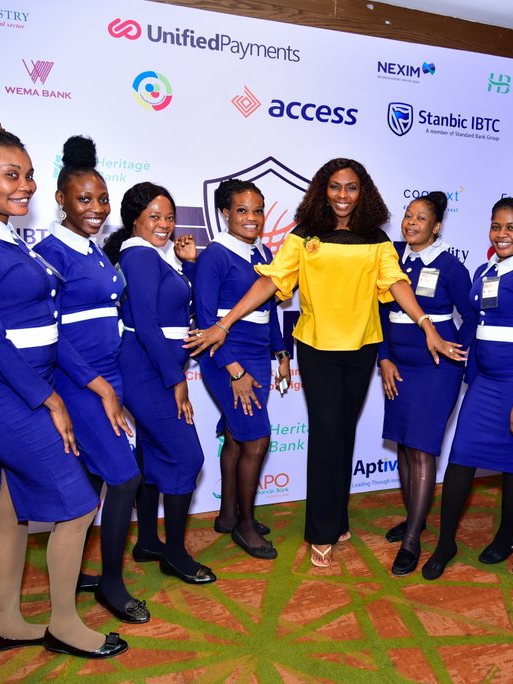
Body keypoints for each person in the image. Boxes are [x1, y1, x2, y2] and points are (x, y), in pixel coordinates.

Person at [184, 158, 466, 568]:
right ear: (322, 190)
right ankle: (321, 530)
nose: (342, 195)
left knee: (344, 433)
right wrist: (224, 324)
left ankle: (337, 517)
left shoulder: (376, 240)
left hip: (362, 349)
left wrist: (426, 324)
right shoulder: (304, 235)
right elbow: (271, 281)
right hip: (317, 348)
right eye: (335, 186)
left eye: (351, 187)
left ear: (363, 192)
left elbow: (396, 283)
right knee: (326, 433)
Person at [0, 109, 127, 658]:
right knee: (78, 504)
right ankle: (64, 625)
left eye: (28, 175)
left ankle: (6, 622)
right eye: (10, 174)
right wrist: (50, 400)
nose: (24, 186)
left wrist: (92, 385)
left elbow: (47, 328)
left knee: (11, 503)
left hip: (25, 382)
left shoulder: (9, 237)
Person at [34, 136, 148, 623]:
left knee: (92, 478)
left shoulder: (95, 250)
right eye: (85, 199)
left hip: (109, 376)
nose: (98, 208)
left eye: (102, 199)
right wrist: (100, 388)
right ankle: (111, 584)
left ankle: (73, 569)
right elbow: (53, 334)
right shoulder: (48, 253)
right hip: (77, 382)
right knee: (125, 478)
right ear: (61, 199)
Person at [422, 197, 513, 581]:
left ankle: (505, 536)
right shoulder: (486, 269)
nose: (502, 234)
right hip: (485, 383)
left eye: (512, 227)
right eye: (496, 226)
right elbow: (478, 324)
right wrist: (467, 371)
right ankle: (445, 543)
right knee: (460, 460)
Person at [104, 183, 214, 584]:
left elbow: (182, 306)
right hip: (148, 371)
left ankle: (149, 540)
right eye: (154, 216)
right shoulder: (138, 254)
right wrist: (176, 379)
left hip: (156, 368)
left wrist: (189, 265)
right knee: (187, 457)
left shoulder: (155, 256)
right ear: (135, 220)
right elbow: (147, 325)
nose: (164, 224)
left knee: (153, 455)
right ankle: (175, 555)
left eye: (169, 217)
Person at [378, 191, 472, 576]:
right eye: (408, 216)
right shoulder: (392, 257)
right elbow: (379, 311)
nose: (411, 223)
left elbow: (472, 316)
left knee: (421, 449)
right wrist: (384, 358)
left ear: (436, 227)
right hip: (398, 363)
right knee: (404, 443)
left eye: (421, 218)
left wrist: (456, 352)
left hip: (436, 370)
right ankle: (413, 518)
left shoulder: (450, 266)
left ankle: (412, 539)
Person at [194, 179, 289, 560]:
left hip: (258, 356)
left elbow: (268, 310)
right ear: (225, 213)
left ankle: (228, 515)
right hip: (226, 356)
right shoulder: (215, 256)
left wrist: (281, 352)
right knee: (256, 440)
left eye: (258, 210)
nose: (252, 218)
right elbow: (206, 322)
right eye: (242, 210)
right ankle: (245, 526)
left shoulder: (262, 251)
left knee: (237, 436)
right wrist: (233, 370)